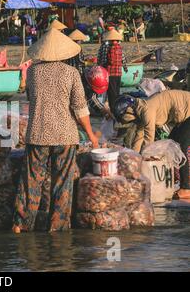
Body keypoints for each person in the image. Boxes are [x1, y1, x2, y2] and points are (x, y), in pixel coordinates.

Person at [13, 29, 99, 233]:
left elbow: (31, 98)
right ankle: (57, 228)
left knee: (31, 182)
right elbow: (80, 109)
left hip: (37, 132)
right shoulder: (71, 73)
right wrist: (92, 135)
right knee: (62, 183)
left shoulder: (33, 72)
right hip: (64, 135)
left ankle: (21, 225)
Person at [113, 91, 190, 200]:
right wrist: (134, 158)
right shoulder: (140, 111)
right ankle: (172, 180)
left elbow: (149, 136)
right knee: (171, 144)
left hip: (188, 113)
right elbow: (139, 137)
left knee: (181, 145)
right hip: (184, 116)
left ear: (128, 111)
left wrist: (146, 157)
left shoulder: (146, 109)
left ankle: (187, 188)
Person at [99, 29, 128, 111]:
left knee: (111, 93)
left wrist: (101, 69)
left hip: (110, 73)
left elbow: (104, 60)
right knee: (117, 91)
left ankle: (112, 109)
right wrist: (125, 68)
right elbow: (123, 59)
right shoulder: (120, 47)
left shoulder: (109, 48)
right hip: (118, 73)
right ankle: (118, 109)